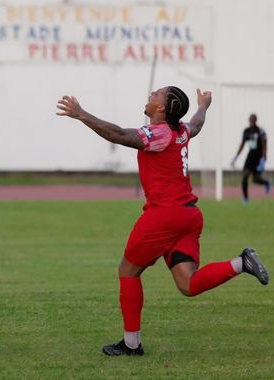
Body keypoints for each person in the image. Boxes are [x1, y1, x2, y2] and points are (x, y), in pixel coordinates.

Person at [56, 86, 270, 356]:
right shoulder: (181, 130)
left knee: (128, 271)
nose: (152, 93)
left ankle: (131, 344)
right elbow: (197, 124)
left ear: (162, 108)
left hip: (164, 216)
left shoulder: (159, 133)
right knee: (188, 284)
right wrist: (203, 106)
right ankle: (242, 262)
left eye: (157, 94)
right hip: (189, 216)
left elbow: (120, 135)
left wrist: (81, 114)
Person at [231, 113, 270, 202]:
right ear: (249, 121)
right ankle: (246, 197)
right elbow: (242, 145)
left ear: (256, 121)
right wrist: (236, 157)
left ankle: (266, 183)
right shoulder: (247, 131)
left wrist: (263, 159)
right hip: (250, 155)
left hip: (258, 156)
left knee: (255, 180)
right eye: (250, 120)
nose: (252, 122)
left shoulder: (260, 131)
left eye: (253, 120)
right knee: (245, 176)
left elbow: (264, 145)